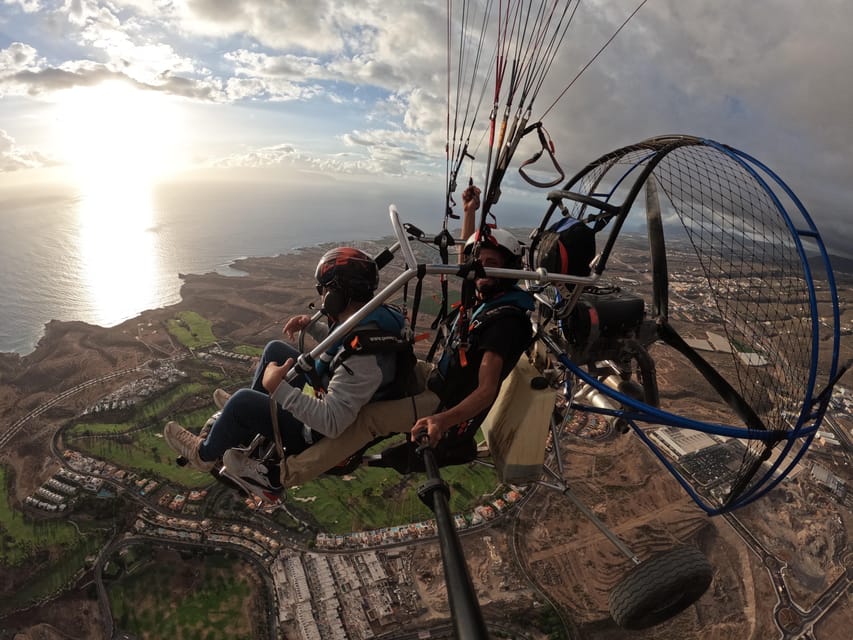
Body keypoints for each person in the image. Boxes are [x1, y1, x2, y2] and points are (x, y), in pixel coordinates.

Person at [224, 184, 535, 488]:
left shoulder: (503, 323)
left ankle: (281, 476)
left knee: (368, 418)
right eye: (480, 262)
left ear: (509, 269)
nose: (480, 270)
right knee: (385, 351)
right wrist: (469, 212)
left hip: (444, 401)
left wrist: (443, 421)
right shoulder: (486, 294)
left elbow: (486, 392)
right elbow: (467, 262)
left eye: (491, 265)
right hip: (438, 376)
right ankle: (257, 420)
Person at [163, 246, 415, 500]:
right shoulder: (371, 322)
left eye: (324, 290)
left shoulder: (364, 360)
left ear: (338, 294)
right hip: (335, 395)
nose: (323, 296)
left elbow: (332, 422)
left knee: (241, 402)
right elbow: (344, 351)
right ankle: (246, 418)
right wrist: (313, 328)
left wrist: (277, 387)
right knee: (276, 350)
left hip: (312, 433)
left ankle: (204, 454)